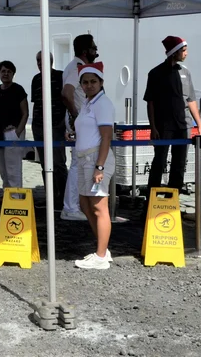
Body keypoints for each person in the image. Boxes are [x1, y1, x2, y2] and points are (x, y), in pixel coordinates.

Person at [143, 36, 201, 195]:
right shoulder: (155, 73)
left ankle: (172, 202)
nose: (186, 53)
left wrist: (199, 124)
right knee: (159, 162)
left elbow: (190, 100)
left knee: (179, 164)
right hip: (164, 126)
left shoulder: (186, 73)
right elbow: (150, 102)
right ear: (174, 52)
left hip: (184, 126)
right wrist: (153, 127)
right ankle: (151, 202)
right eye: (183, 50)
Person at [71, 62, 116, 270]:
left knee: (99, 206)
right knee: (85, 204)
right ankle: (103, 250)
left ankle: (101, 255)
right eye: (85, 82)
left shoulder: (102, 103)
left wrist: (100, 167)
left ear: (101, 83)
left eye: (93, 81)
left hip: (96, 159)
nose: (89, 85)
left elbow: (106, 137)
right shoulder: (87, 104)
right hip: (83, 159)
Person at [60, 34, 99, 221]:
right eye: (93, 47)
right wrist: (77, 116)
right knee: (77, 165)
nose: (96, 49)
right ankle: (70, 207)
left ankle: (76, 205)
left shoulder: (77, 67)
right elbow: (66, 94)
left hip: (83, 121)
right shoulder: (77, 69)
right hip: (81, 122)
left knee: (82, 164)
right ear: (85, 51)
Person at [31, 51, 68, 204]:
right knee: (45, 163)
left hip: (56, 124)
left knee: (58, 162)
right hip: (39, 125)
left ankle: (63, 197)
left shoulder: (60, 76)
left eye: (43, 60)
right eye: (38, 60)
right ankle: (50, 196)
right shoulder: (36, 79)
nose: (40, 62)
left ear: (51, 61)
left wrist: (63, 124)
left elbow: (65, 99)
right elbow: (35, 102)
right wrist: (34, 124)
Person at [0, 61, 28, 188]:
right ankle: (7, 196)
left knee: (13, 169)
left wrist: (17, 132)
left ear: (13, 74)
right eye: (3, 71)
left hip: (13, 132)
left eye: (8, 71)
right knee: (2, 168)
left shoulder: (18, 89)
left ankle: (16, 197)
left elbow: (25, 113)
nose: (5, 74)